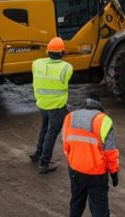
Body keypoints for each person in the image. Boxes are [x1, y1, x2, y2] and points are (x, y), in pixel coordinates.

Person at [63, 95, 119, 217]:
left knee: (76, 203)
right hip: (96, 174)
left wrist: (74, 163)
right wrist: (114, 173)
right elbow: (110, 151)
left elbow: (66, 146)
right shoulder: (104, 120)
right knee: (99, 208)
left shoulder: (70, 117)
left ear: (85, 104)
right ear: (100, 107)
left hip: (75, 170)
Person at [31, 37, 73, 174]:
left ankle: (38, 153)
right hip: (57, 107)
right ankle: (44, 163)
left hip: (42, 104)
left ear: (47, 52)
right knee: (51, 133)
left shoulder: (36, 63)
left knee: (44, 128)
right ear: (62, 53)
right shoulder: (66, 68)